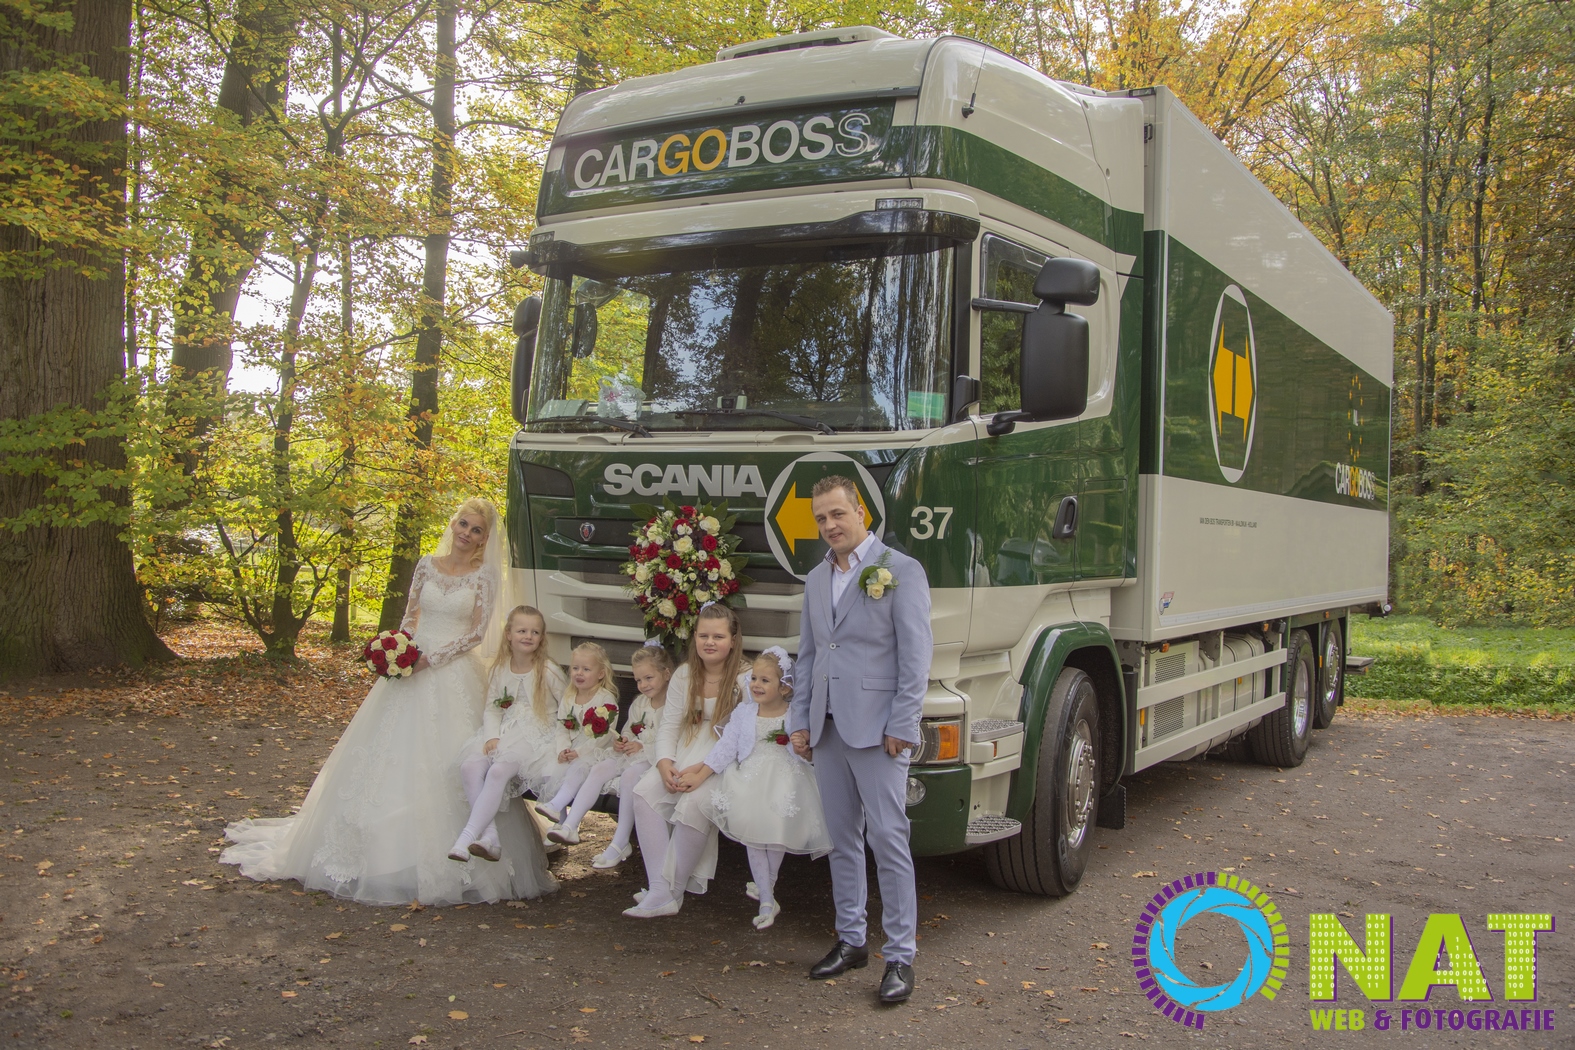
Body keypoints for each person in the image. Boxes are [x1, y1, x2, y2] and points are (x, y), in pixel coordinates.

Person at [222, 498, 555, 906]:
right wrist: (400, 651)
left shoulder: (483, 576)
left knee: (454, 757)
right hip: (410, 666)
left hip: (451, 672)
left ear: (485, 539)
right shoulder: (426, 565)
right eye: (463, 524)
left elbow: (476, 633)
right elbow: (410, 617)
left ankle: (474, 840)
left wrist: (431, 659)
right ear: (453, 524)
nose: (467, 534)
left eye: (476, 530)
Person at [788, 475, 931, 1003]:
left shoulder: (901, 571)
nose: (830, 525)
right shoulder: (815, 579)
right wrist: (800, 719)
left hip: (878, 731)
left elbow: (915, 656)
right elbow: (809, 655)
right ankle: (851, 940)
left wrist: (903, 724)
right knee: (841, 840)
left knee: (888, 840)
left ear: (861, 513)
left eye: (837, 514)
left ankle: (900, 956)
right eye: (821, 518)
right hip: (827, 728)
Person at [622, 604, 746, 918]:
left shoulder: (744, 678)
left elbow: (740, 737)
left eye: (718, 636)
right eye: (703, 635)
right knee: (644, 794)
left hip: (723, 757)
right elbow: (669, 724)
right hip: (685, 746)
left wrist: (703, 772)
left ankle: (670, 892)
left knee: (695, 804)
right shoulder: (685, 674)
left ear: (733, 640)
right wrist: (664, 762)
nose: (709, 642)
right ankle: (660, 889)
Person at [696, 647, 831, 929]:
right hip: (750, 777)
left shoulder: (794, 714)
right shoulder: (744, 713)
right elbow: (727, 746)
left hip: (786, 776)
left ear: (784, 687)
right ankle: (767, 899)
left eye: (765, 680)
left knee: (776, 828)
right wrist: (702, 771)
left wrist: (803, 747)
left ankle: (766, 883)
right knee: (754, 832)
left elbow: (808, 751)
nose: (756, 684)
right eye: (754, 678)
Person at [450, 605, 568, 862]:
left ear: (541, 637)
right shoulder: (500, 669)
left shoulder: (548, 670)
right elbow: (493, 708)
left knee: (498, 771)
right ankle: (490, 836)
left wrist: (563, 742)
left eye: (535, 632)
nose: (528, 636)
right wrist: (491, 736)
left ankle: (466, 838)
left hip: (537, 734)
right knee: (470, 766)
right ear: (509, 635)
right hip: (505, 730)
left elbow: (567, 709)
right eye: (522, 630)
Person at [584, 641, 673, 868]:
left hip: (657, 758)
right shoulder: (639, 703)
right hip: (634, 755)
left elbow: (675, 739)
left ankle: (620, 840)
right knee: (600, 768)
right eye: (638, 680)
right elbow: (628, 730)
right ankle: (569, 823)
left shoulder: (673, 705)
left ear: (666, 674)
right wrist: (623, 741)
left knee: (630, 775)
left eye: (648, 678)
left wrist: (643, 748)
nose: (643, 685)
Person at [535, 643, 619, 842]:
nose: (579, 673)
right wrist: (563, 748)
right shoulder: (569, 696)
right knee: (550, 767)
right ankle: (561, 822)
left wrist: (579, 752)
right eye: (575, 668)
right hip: (571, 747)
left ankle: (556, 806)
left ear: (601, 674)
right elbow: (562, 726)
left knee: (578, 769)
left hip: (595, 751)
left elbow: (603, 736)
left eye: (586, 669)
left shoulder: (606, 699)